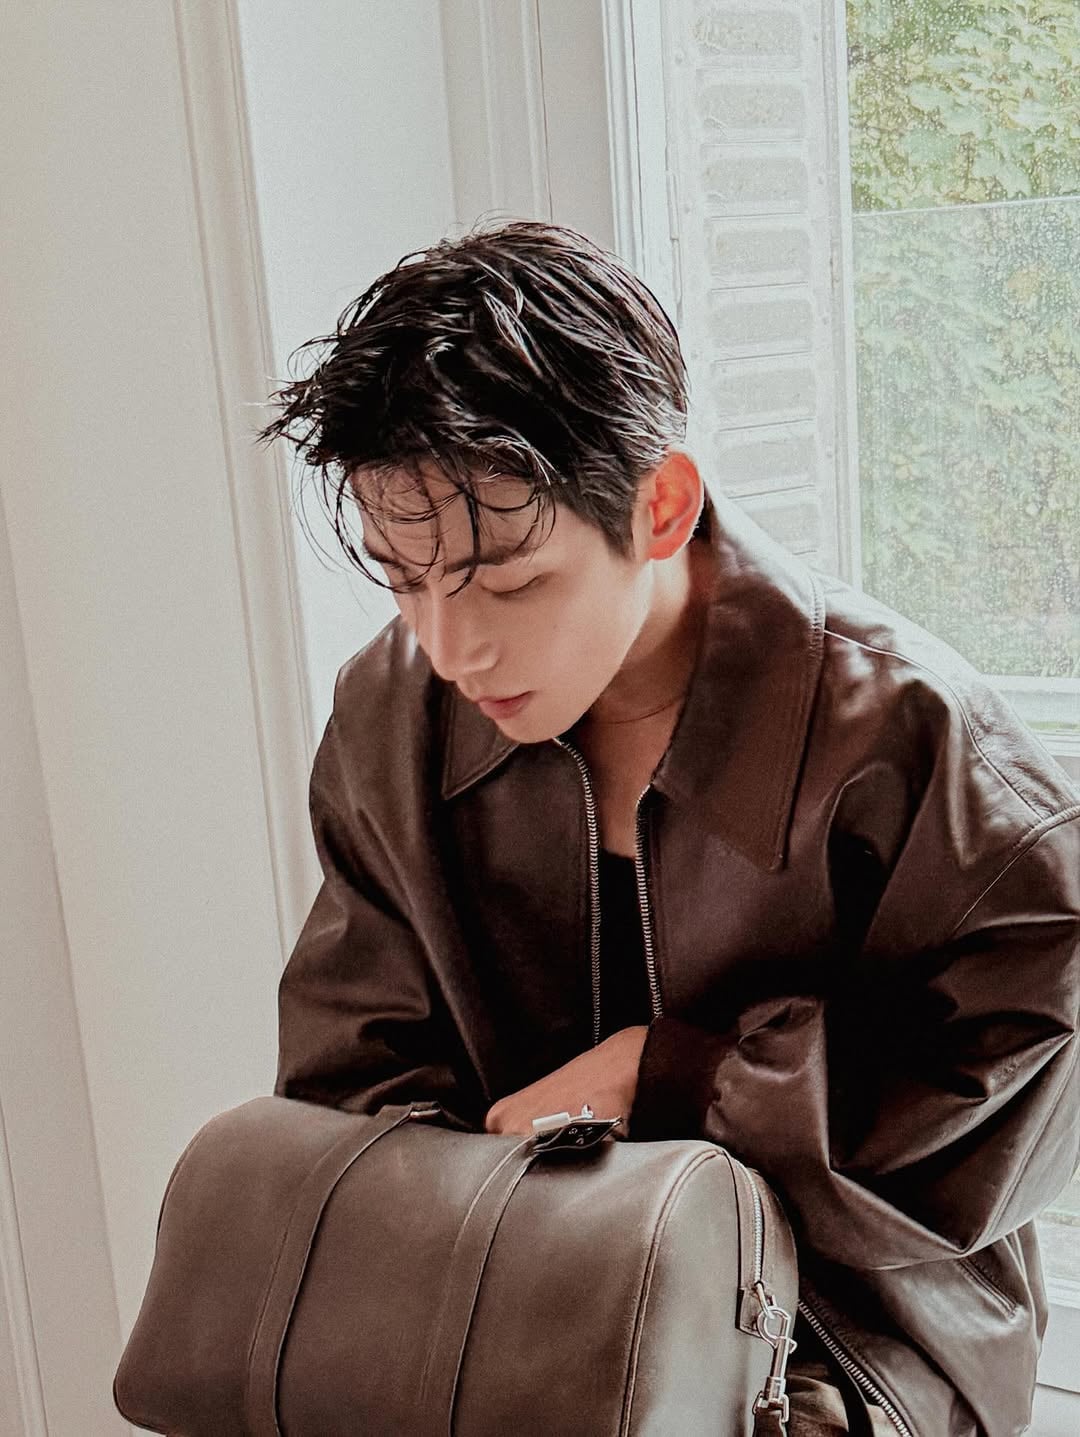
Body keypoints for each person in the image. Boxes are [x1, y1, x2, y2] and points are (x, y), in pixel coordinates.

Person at [255, 219, 1080, 1436]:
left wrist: (683, 1080)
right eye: (404, 577)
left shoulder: (910, 733)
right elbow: (352, 1085)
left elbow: (1012, 1086)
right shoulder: (393, 715)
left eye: (510, 583)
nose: (452, 646)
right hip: (512, 1309)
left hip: (847, 1347)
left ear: (661, 506)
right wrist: (516, 1244)